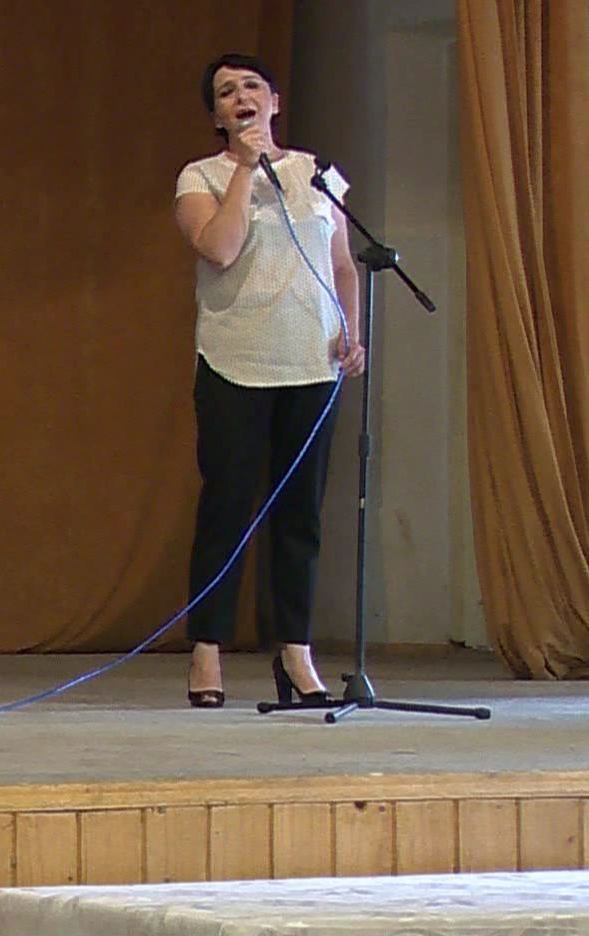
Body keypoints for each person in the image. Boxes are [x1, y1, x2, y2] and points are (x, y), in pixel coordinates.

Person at [173, 53, 365, 709]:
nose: (241, 97)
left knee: (300, 514)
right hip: (236, 362)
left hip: (312, 362)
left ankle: (296, 653)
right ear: (217, 116)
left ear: (274, 101)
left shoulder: (317, 174)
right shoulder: (201, 176)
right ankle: (207, 650)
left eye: (251, 86)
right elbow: (220, 249)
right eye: (226, 92)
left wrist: (351, 331)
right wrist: (246, 170)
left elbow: (343, 264)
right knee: (227, 507)